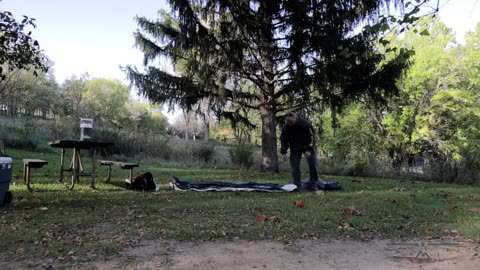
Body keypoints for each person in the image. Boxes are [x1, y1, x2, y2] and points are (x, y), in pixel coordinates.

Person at [280, 112, 319, 191]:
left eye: (292, 122)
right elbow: (284, 140)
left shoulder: (305, 124)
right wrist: (283, 152)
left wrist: (308, 150)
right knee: (294, 166)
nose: (291, 124)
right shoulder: (286, 127)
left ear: (296, 119)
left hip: (307, 145)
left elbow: (311, 137)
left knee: (313, 164)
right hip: (295, 148)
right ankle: (296, 184)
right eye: (289, 123)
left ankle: (313, 183)